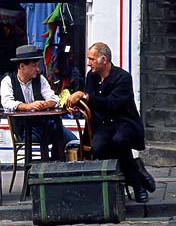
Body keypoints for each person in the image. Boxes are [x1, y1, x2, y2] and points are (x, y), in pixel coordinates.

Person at [66, 42, 155, 203]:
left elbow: (111, 103)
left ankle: (138, 187)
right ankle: (136, 170)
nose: (88, 63)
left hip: (124, 121)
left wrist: (85, 97)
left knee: (120, 141)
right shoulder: (91, 76)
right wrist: (76, 106)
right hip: (104, 123)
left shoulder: (123, 77)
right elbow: (90, 100)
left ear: (104, 59)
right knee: (98, 148)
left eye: (92, 59)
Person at [1, 44, 77, 160]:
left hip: (43, 125)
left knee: (64, 135)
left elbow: (54, 99)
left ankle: (55, 164)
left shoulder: (40, 79)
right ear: (22, 66)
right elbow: (7, 103)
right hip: (24, 130)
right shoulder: (8, 81)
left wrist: (45, 104)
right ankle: (49, 165)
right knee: (56, 134)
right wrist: (28, 106)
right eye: (34, 66)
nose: (37, 69)